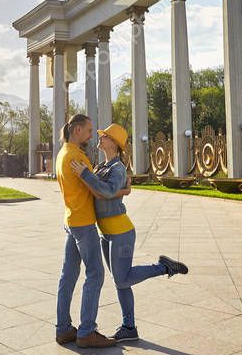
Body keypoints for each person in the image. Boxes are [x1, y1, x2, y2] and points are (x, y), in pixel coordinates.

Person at [71, 123, 189, 342]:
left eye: (104, 136)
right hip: (106, 233)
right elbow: (100, 192)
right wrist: (121, 189)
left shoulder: (117, 169)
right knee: (120, 281)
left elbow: (105, 191)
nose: (100, 138)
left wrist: (86, 174)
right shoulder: (103, 167)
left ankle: (164, 267)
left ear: (114, 143)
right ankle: (129, 327)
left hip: (121, 232)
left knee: (123, 279)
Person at [54, 114, 116, 348]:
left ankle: (63, 329)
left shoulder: (63, 153)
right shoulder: (76, 156)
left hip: (71, 220)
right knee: (95, 274)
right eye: (89, 130)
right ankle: (87, 332)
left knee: (67, 276)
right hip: (83, 222)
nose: (92, 134)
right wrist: (122, 191)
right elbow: (99, 192)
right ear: (77, 130)